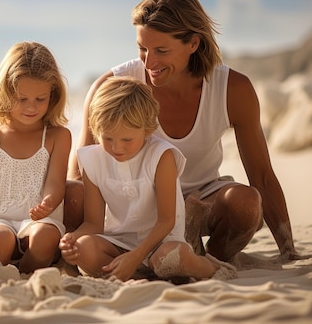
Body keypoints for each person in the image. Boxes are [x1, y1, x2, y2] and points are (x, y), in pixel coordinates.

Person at [66, 0, 303, 263]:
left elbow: (261, 176)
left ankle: (207, 260)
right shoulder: (113, 86)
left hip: (202, 203)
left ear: (193, 43)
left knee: (247, 203)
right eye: (142, 49)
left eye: (161, 50)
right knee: (73, 191)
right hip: (136, 206)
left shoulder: (232, 89)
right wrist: (69, 243)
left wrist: (287, 249)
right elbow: (80, 175)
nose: (149, 62)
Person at [59, 76, 233, 281]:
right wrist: (72, 240)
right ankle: (142, 273)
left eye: (127, 139)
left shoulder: (161, 156)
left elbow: (167, 220)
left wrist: (138, 255)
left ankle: (207, 267)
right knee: (84, 248)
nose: (117, 148)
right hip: (120, 243)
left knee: (170, 257)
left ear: (147, 130)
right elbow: (93, 224)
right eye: (108, 139)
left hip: (161, 242)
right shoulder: (92, 160)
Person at [0, 41, 72, 274]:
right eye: (22, 99)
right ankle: (6, 267)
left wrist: (49, 203)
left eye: (40, 99)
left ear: (53, 95)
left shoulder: (57, 136)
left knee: (44, 237)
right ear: (5, 92)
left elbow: (56, 181)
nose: (31, 107)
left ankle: (22, 272)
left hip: (40, 222)